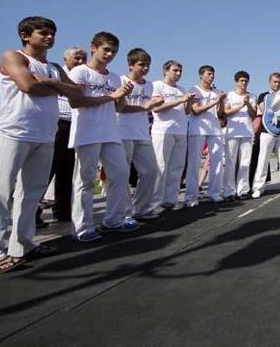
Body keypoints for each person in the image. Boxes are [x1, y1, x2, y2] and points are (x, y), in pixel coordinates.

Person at [0, 17, 81, 272]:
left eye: (52, 33)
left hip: (44, 135)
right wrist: (56, 86)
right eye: (43, 33)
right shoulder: (12, 57)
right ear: (26, 35)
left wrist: (49, 82)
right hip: (15, 131)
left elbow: (77, 93)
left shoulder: (55, 66)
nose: (49, 37)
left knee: (31, 194)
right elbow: (27, 85)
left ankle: (22, 244)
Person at [69, 32, 138, 242]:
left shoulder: (115, 77)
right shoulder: (80, 72)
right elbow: (76, 102)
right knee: (85, 181)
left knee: (119, 176)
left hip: (111, 132)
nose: (109, 54)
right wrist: (112, 96)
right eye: (106, 49)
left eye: (114, 51)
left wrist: (122, 95)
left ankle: (113, 221)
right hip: (87, 132)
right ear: (93, 48)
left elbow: (120, 106)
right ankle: (82, 227)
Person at [117, 48, 165, 220]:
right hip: (123, 131)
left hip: (143, 132)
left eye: (147, 65)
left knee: (150, 171)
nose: (145, 68)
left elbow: (150, 107)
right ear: (131, 65)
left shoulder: (150, 85)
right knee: (122, 174)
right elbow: (120, 108)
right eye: (141, 65)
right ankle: (123, 213)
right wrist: (145, 106)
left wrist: (153, 104)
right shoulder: (121, 81)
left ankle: (141, 209)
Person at [40, 47, 86, 223]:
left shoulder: (82, 76)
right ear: (66, 59)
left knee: (67, 170)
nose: (80, 61)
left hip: (75, 125)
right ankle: (35, 211)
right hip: (58, 123)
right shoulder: (58, 74)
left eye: (83, 58)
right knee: (49, 167)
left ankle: (63, 210)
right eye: (76, 58)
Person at [150, 60, 194, 211]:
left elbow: (187, 111)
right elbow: (156, 108)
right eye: (175, 70)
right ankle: (155, 203)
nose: (178, 74)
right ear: (165, 70)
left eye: (180, 71)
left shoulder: (181, 89)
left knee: (176, 167)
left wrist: (187, 102)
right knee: (161, 167)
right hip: (163, 131)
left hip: (180, 131)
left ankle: (170, 200)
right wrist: (180, 100)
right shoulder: (157, 85)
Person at [186, 65, 226, 205]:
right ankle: (191, 197)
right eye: (209, 74)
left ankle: (214, 193)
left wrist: (220, 101)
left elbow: (221, 112)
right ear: (201, 75)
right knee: (194, 162)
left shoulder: (217, 91)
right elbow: (195, 110)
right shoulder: (194, 90)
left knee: (217, 161)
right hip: (198, 129)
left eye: (213, 74)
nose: (211, 76)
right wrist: (215, 101)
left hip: (214, 129)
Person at [252, 72, 280, 198]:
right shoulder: (264, 96)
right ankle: (258, 187)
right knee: (263, 160)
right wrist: (276, 112)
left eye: (279, 82)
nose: (277, 84)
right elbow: (264, 111)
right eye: (275, 81)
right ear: (270, 82)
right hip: (267, 131)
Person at [223, 71, 257, 200]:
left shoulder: (252, 96)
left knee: (245, 163)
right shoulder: (230, 95)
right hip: (232, 132)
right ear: (237, 82)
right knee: (230, 163)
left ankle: (243, 190)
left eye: (246, 81)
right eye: (241, 80)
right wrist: (241, 105)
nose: (244, 83)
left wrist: (247, 103)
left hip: (247, 132)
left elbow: (253, 115)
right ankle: (229, 191)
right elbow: (226, 112)